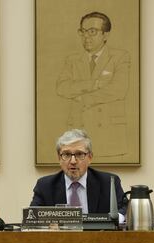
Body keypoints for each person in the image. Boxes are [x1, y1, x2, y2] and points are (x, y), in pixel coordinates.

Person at [56, 12, 130, 157]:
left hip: (109, 133)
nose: (86, 36)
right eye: (83, 32)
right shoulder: (72, 60)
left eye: (92, 31)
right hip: (78, 134)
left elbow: (118, 90)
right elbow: (62, 88)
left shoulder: (120, 57)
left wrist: (83, 98)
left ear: (105, 35)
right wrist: (94, 84)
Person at [30, 129, 126, 216]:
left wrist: (114, 219)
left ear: (90, 158)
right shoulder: (45, 186)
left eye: (79, 154)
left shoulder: (109, 182)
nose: (73, 161)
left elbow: (125, 209)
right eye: (66, 154)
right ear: (59, 158)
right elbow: (32, 217)